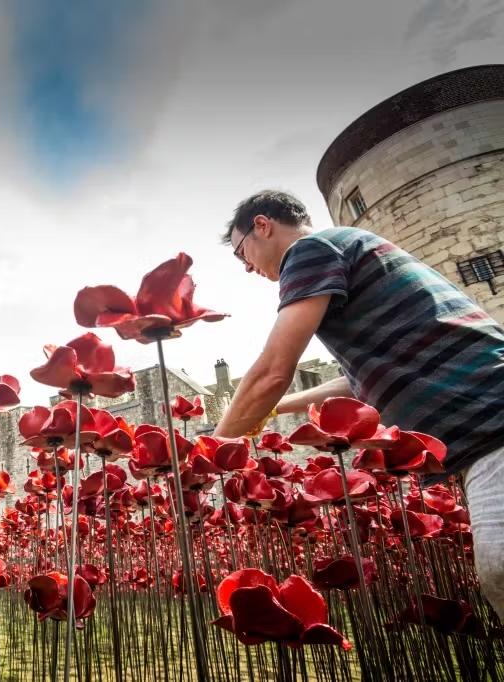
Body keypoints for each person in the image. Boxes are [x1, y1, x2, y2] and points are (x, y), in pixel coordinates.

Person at [211, 189, 504, 616]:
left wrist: (210, 453)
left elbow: (274, 368)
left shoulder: (309, 250)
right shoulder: (347, 249)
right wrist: (276, 409)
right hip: (482, 426)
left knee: (500, 568)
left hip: (488, 415)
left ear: (262, 225)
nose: (248, 267)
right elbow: (355, 383)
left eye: (243, 253)